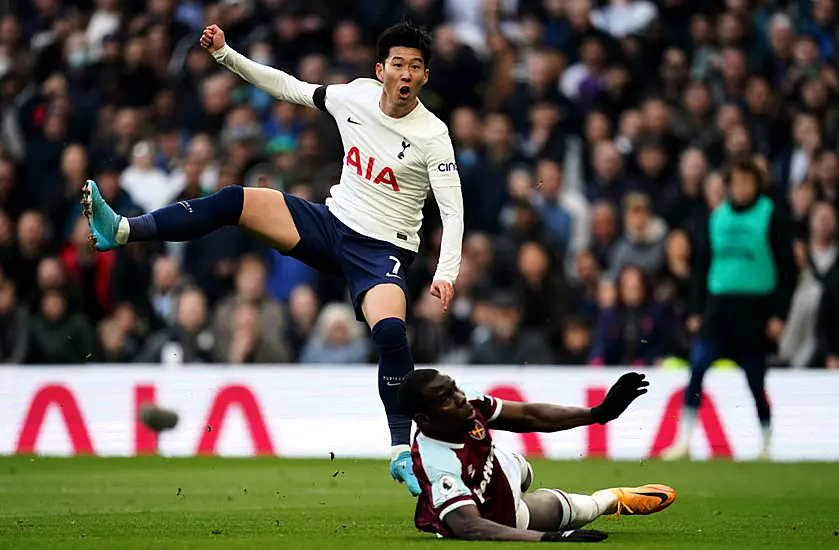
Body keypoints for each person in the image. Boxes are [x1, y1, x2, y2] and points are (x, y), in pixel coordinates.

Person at [80, 21, 465, 495]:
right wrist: (226, 55)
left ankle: (400, 452)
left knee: (390, 331)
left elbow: (452, 208)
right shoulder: (354, 96)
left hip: (382, 249)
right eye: (399, 65)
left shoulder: (433, 134)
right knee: (235, 200)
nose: (406, 75)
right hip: (331, 224)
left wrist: (447, 272)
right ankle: (122, 230)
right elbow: (288, 87)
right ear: (381, 69)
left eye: (417, 67)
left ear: (425, 77)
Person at [398, 369, 676, 542]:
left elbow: (529, 416)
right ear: (425, 418)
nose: (459, 398)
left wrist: (598, 414)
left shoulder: (467, 401)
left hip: (501, 465)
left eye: (454, 388)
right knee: (581, 511)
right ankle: (612, 498)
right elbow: (468, 526)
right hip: (498, 516)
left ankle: (521, 475)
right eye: (445, 399)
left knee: (522, 468)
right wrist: (547, 538)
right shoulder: (436, 460)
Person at [663, 155, 796, 460]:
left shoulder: (770, 216)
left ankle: (765, 443)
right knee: (697, 368)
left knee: (755, 379)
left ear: (757, 185)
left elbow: (788, 269)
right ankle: (683, 440)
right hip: (718, 307)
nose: (741, 188)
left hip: (755, 310)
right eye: (735, 182)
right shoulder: (718, 216)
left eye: (747, 182)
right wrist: (696, 311)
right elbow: (702, 268)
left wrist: (779, 314)